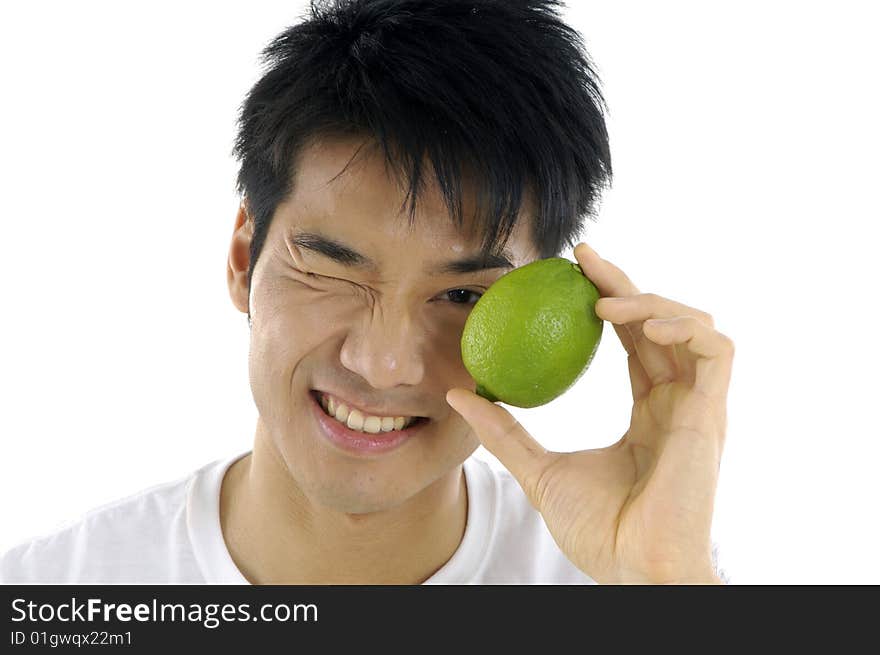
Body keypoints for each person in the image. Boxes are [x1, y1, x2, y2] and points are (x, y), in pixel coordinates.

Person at [1, 0, 733, 584]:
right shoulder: (58, 595)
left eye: (465, 298)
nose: (383, 365)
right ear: (240, 256)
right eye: (332, 270)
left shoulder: (618, 580)